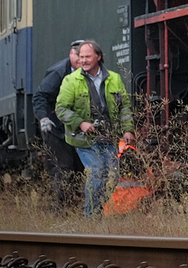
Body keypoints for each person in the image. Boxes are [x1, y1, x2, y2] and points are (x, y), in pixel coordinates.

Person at [54, 40, 134, 218]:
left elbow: (125, 107)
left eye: (87, 57)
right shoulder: (71, 80)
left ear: (98, 57)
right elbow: (61, 109)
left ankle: (97, 210)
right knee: (96, 172)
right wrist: (80, 123)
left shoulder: (114, 78)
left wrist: (128, 130)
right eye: (81, 57)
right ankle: (90, 216)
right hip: (83, 139)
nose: (83, 60)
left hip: (109, 137)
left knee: (112, 177)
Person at [33, 40, 85, 210]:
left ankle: (77, 204)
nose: (82, 62)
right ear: (72, 54)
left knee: (80, 167)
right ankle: (62, 208)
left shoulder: (89, 72)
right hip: (55, 128)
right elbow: (40, 96)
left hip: (76, 127)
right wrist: (43, 119)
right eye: (78, 58)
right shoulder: (57, 73)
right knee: (62, 168)